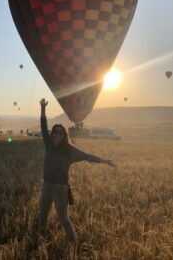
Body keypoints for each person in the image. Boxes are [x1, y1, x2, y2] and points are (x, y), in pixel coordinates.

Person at [38, 98, 117, 243]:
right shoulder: (48, 144)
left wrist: (105, 161)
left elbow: (87, 156)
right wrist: (43, 107)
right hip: (46, 185)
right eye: (55, 132)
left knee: (63, 219)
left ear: (64, 135)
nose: (56, 134)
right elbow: (43, 126)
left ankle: (73, 242)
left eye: (60, 133)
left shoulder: (69, 151)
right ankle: (40, 240)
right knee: (42, 216)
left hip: (60, 188)